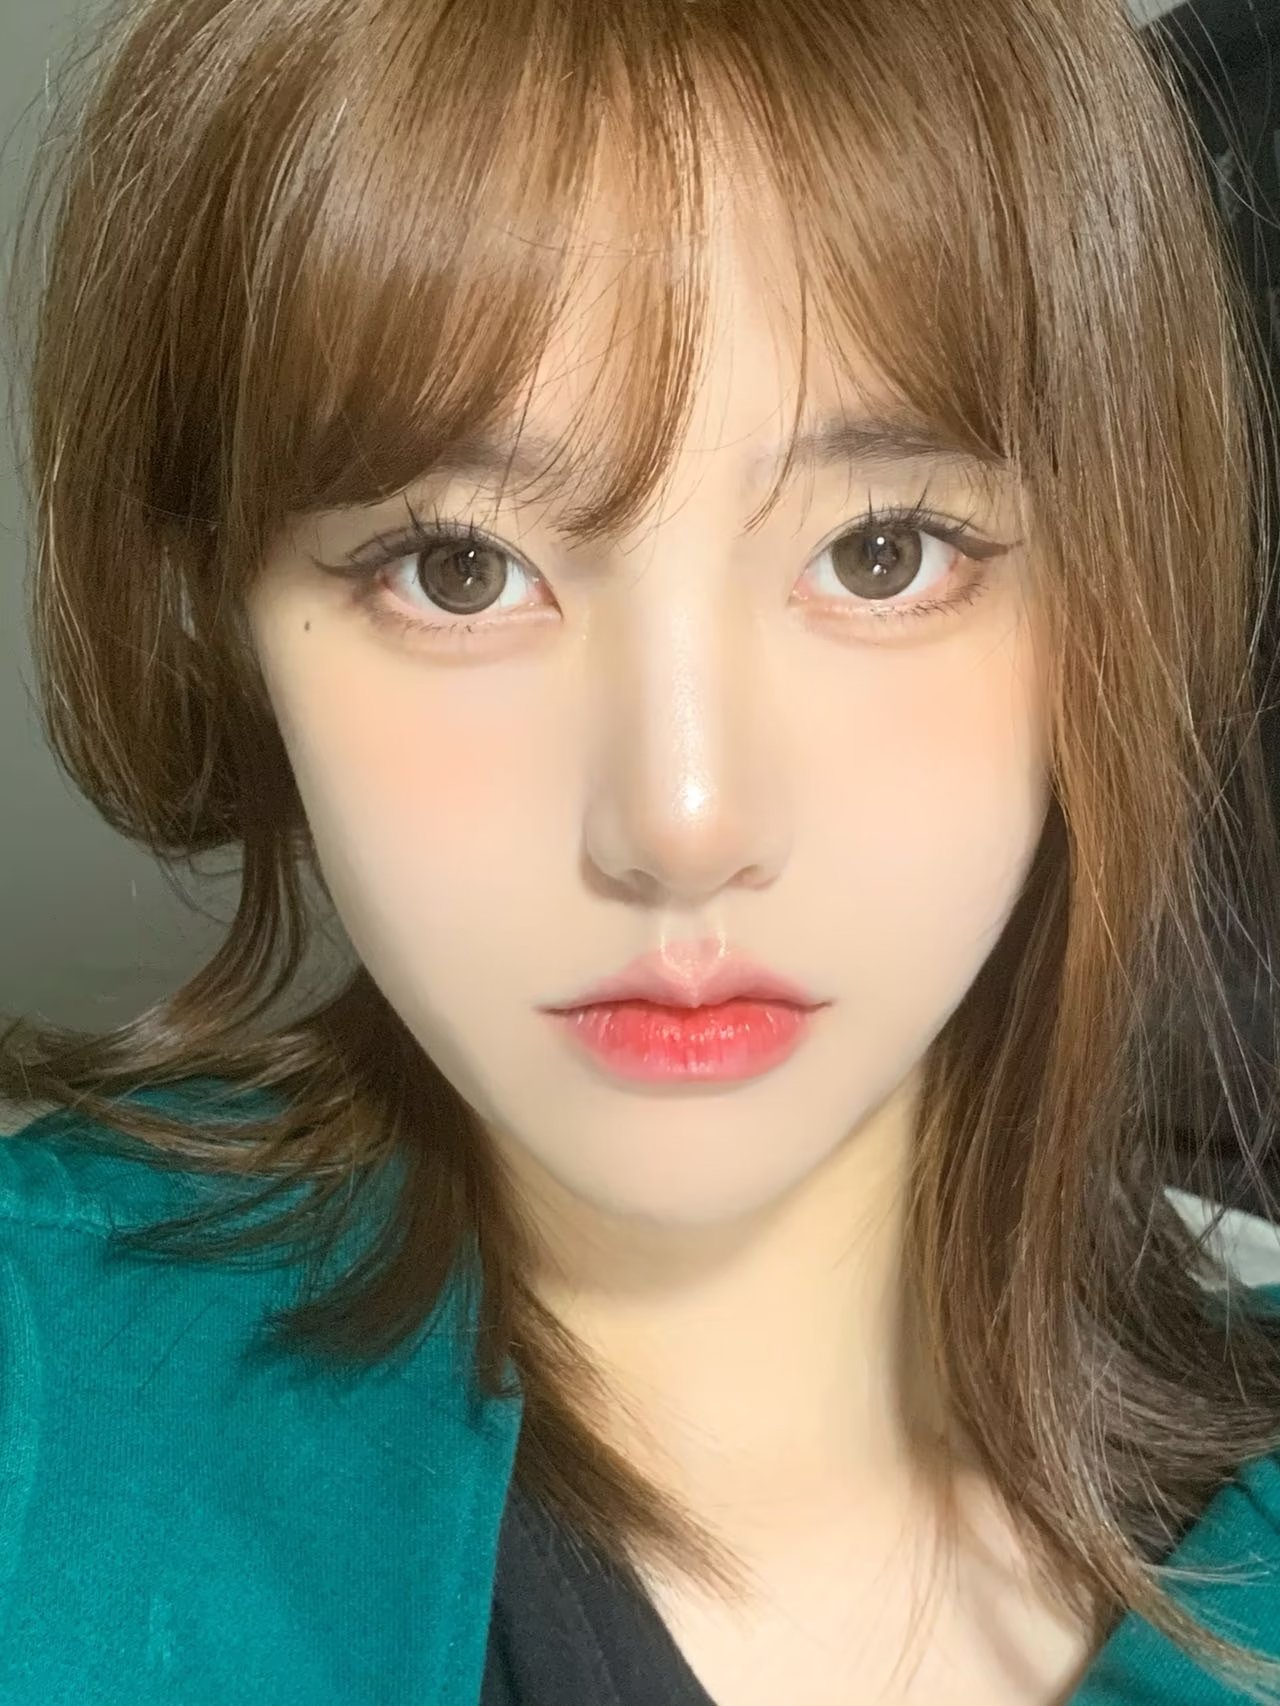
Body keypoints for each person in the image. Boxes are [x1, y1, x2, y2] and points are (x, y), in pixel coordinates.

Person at [3, 0, 1280, 1700]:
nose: (685, 820)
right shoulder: (50, 1436)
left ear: (1113, 589)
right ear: (222, 613)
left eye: (882, 552)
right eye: (459, 569)